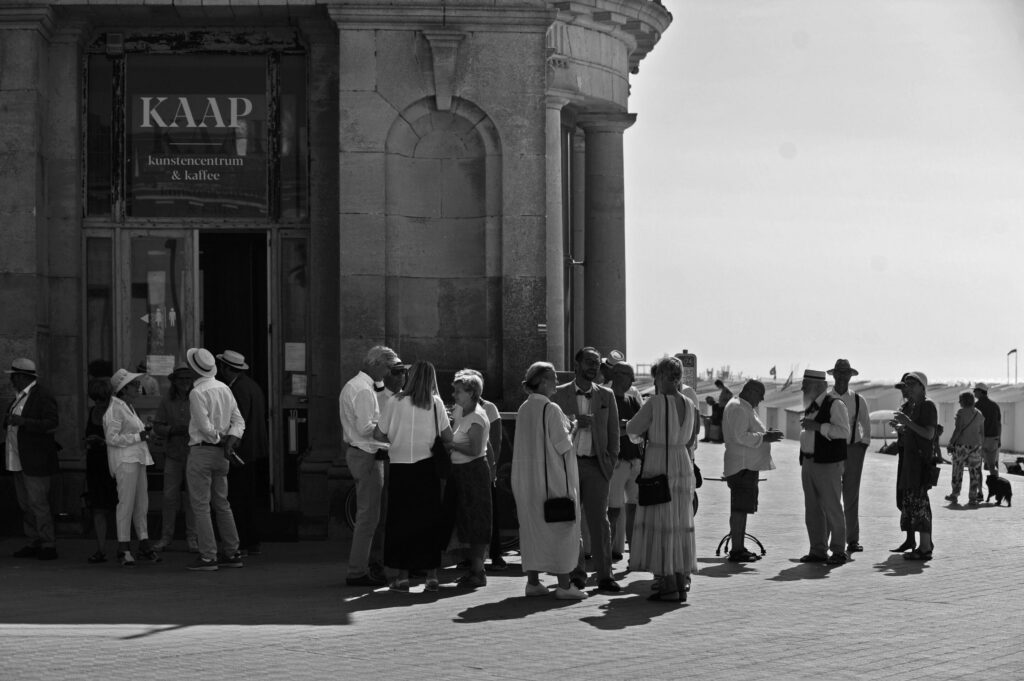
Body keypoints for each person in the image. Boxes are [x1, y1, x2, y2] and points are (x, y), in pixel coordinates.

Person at [373, 361, 452, 592]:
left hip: (400, 467)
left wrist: (396, 439)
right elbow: (447, 437)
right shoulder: (435, 403)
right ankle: (431, 575)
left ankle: (402, 576)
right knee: (428, 520)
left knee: (400, 521)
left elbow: (379, 433)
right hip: (426, 467)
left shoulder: (394, 402)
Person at [625, 355, 698, 603]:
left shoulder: (655, 403)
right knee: (678, 522)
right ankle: (679, 581)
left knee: (661, 522)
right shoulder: (690, 404)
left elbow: (633, 429)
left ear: (661, 377)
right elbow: (690, 438)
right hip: (682, 462)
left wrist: (647, 433)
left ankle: (667, 584)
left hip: (660, 462)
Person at [511, 362, 586, 600]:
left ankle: (533, 581)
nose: (556, 382)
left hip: (527, 481)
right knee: (561, 529)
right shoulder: (551, 409)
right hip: (552, 482)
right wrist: (575, 427)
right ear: (542, 381)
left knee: (533, 530)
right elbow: (564, 446)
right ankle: (564, 585)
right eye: (553, 378)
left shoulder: (524, 408)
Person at [552, 346, 621, 593]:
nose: (594, 366)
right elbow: (551, 431)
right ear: (577, 364)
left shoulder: (607, 395)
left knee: (599, 522)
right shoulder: (557, 395)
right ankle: (576, 573)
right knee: (571, 520)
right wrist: (574, 422)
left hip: (596, 465)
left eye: (597, 363)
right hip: (568, 465)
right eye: (589, 362)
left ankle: (605, 575)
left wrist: (610, 463)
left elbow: (614, 433)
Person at [339, 345, 403, 587]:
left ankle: (364, 567)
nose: (388, 373)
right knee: (368, 518)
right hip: (367, 454)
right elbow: (367, 428)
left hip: (362, 452)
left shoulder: (356, 385)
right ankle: (357, 571)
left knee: (369, 516)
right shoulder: (363, 390)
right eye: (388, 367)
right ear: (376, 364)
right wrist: (392, 433)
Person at [184, 347, 246, 571]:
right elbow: (239, 421)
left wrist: (220, 439)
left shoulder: (196, 392)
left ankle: (208, 556)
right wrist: (231, 439)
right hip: (222, 454)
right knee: (222, 503)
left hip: (203, 450)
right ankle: (232, 551)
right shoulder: (224, 388)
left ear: (194, 369)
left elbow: (205, 427)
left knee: (201, 505)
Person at [4, 358, 60, 560]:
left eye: (14, 376)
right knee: (25, 503)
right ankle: (34, 539)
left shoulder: (42, 396)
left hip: (35, 460)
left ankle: (47, 542)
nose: (11, 380)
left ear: (22, 377)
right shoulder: (20, 396)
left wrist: (23, 422)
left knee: (38, 503)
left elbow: (52, 423)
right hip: (19, 458)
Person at [722, 380, 784, 562]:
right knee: (739, 509)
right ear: (750, 391)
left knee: (741, 508)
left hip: (746, 466)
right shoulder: (738, 408)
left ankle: (739, 547)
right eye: (760, 394)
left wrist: (765, 436)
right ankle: (737, 550)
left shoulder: (743, 406)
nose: (762, 399)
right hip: (742, 467)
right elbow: (740, 436)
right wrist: (765, 437)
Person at [441, 369, 493, 588]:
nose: (454, 395)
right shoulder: (463, 411)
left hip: (473, 472)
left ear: (472, 393)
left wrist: (450, 444)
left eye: (458, 391)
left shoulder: (477, 416)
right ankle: (473, 568)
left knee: (476, 522)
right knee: (466, 521)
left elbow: (474, 449)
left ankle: (478, 571)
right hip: (462, 471)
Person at [104, 367, 160, 567]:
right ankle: (124, 547)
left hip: (136, 458)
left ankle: (143, 542)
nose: (139, 388)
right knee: (126, 504)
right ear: (124, 389)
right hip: (125, 460)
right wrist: (139, 436)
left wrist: (142, 435)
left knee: (140, 503)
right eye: (135, 385)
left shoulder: (126, 407)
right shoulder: (116, 409)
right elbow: (111, 438)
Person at [217, 350, 269, 556]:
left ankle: (244, 541)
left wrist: (230, 444)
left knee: (239, 498)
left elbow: (239, 421)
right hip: (254, 449)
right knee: (247, 497)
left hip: (242, 452)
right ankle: (249, 540)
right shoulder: (251, 385)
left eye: (222, 367)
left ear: (226, 368)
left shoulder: (237, 389)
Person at [798, 368, 850, 565]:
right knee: (812, 509)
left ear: (818, 386)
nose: (803, 390)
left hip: (828, 464)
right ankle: (818, 550)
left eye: (806, 386)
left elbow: (843, 431)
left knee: (832, 507)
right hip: (810, 462)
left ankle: (838, 550)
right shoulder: (811, 406)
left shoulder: (835, 404)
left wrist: (819, 427)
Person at [151, 362, 199, 553]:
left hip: (194, 453)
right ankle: (166, 537)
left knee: (192, 498)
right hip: (173, 453)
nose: (185, 382)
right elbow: (157, 425)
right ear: (175, 382)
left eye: (188, 379)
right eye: (182, 379)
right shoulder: (166, 401)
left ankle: (193, 537)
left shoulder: (197, 398)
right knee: (169, 497)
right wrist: (171, 430)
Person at [891, 371, 938, 560]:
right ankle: (922, 546)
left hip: (920, 463)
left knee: (921, 504)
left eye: (912, 383)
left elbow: (928, 434)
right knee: (914, 503)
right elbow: (915, 431)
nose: (907, 386)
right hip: (911, 463)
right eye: (906, 383)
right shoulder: (915, 405)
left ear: (922, 386)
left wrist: (907, 423)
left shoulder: (927, 405)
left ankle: (925, 548)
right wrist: (903, 428)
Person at [828, 359, 871, 554]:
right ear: (834, 375)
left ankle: (852, 539)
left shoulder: (857, 399)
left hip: (853, 449)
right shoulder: (826, 398)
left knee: (851, 495)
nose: (842, 377)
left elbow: (866, 426)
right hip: (832, 450)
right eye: (840, 373)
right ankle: (829, 539)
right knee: (831, 495)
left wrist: (862, 446)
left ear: (850, 376)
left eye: (846, 373)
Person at [606, 360, 643, 561]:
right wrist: (627, 428)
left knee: (634, 509)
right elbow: (606, 430)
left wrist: (623, 428)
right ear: (618, 375)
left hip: (634, 462)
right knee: (613, 510)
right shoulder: (605, 398)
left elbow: (642, 427)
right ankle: (608, 554)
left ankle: (634, 555)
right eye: (630, 376)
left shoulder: (633, 401)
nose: (632, 381)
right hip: (617, 463)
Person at [84, 377, 117, 563]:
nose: (98, 403)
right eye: (95, 399)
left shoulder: (116, 412)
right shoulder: (92, 412)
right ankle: (101, 548)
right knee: (98, 507)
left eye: (102, 399)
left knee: (118, 506)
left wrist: (103, 442)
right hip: (95, 463)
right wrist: (88, 442)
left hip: (112, 463)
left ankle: (124, 546)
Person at [946, 390, 985, 507]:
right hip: (976, 446)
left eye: (960, 400)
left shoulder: (961, 413)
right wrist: (980, 446)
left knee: (957, 471)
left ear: (963, 401)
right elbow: (982, 433)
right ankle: (973, 497)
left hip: (961, 446)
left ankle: (955, 494)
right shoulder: (979, 414)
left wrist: (951, 443)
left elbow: (958, 430)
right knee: (974, 473)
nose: (959, 402)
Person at [973, 383, 1001, 474]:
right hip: (993, 439)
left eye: (975, 391)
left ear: (980, 392)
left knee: (977, 466)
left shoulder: (975, 406)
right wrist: (999, 439)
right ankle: (995, 484)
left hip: (979, 440)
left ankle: (979, 488)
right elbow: (999, 424)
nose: (973, 393)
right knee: (992, 466)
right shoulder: (995, 406)